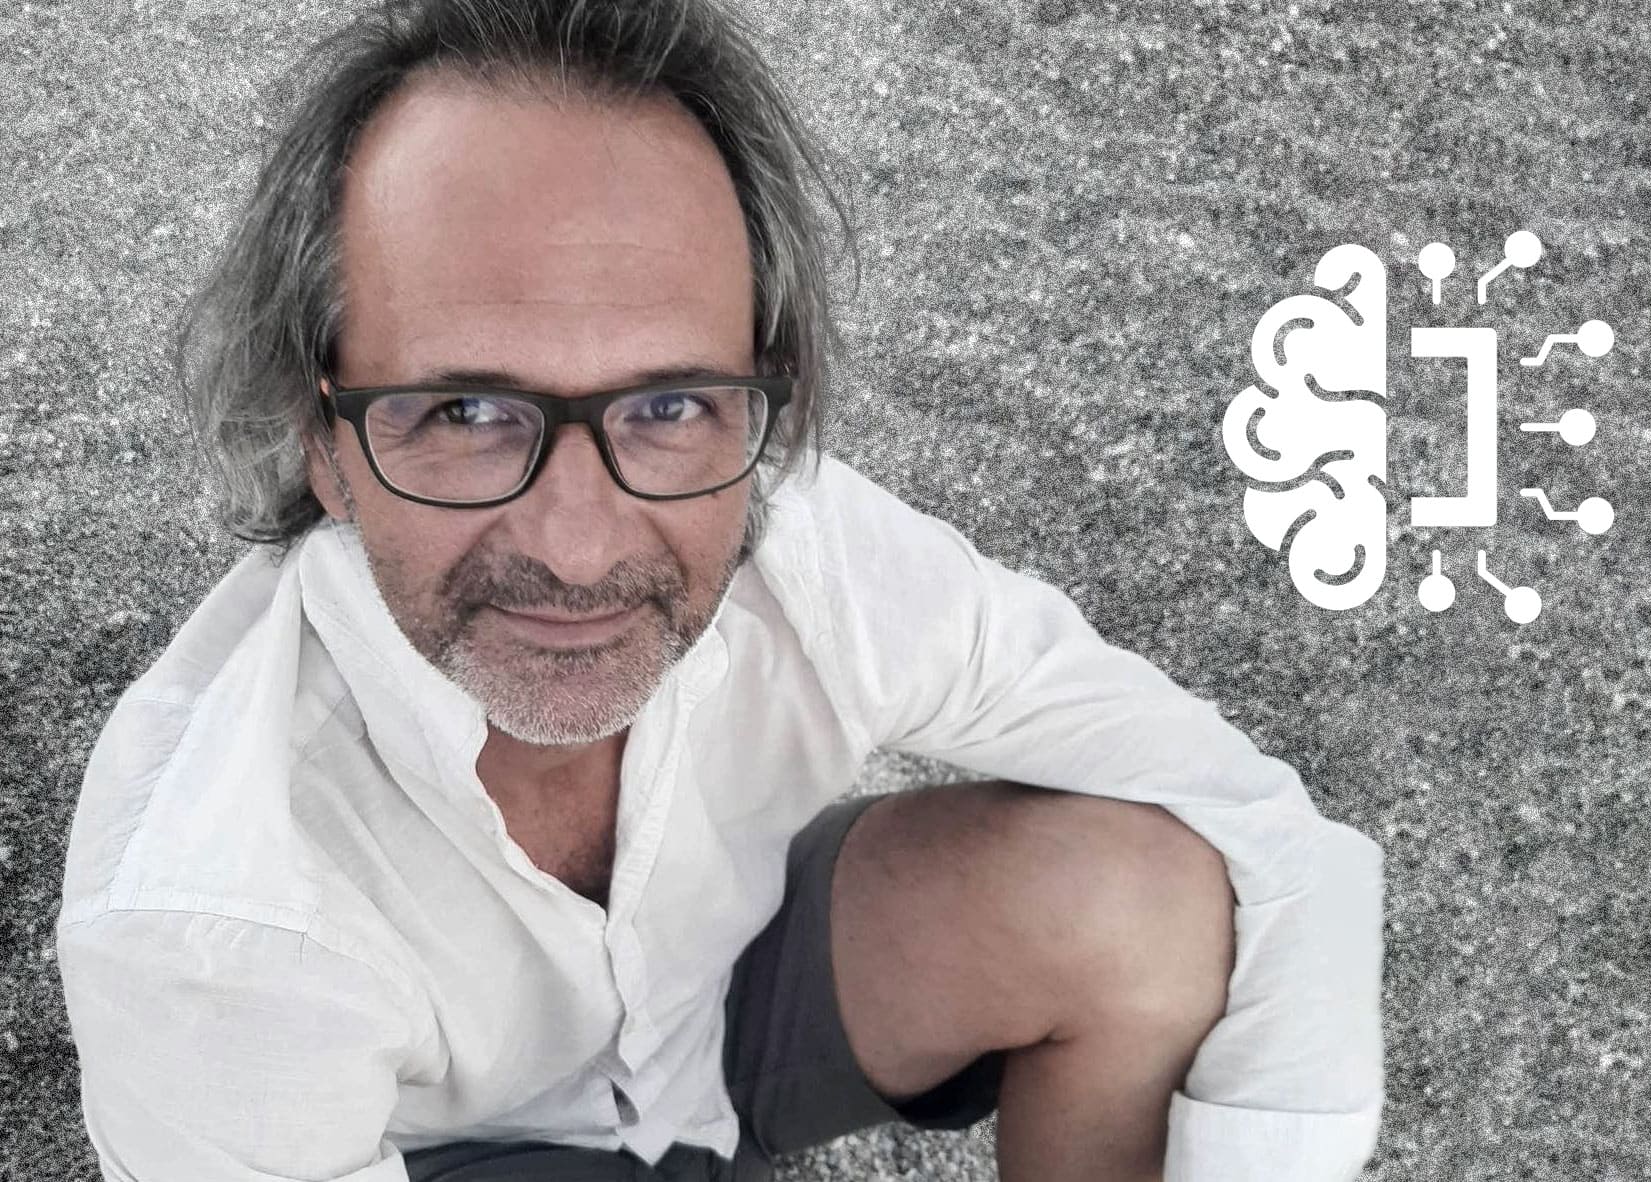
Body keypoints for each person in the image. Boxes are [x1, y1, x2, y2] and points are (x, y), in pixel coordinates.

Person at [54, 1, 1384, 1180]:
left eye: (669, 404)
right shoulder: (210, 930)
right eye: (465, 412)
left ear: (764, 395)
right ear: (323, 442)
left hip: (713, 1032)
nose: (581, 546)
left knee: (1138, 900)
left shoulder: (806, 544)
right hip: (440, 1148)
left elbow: (1262, 826)